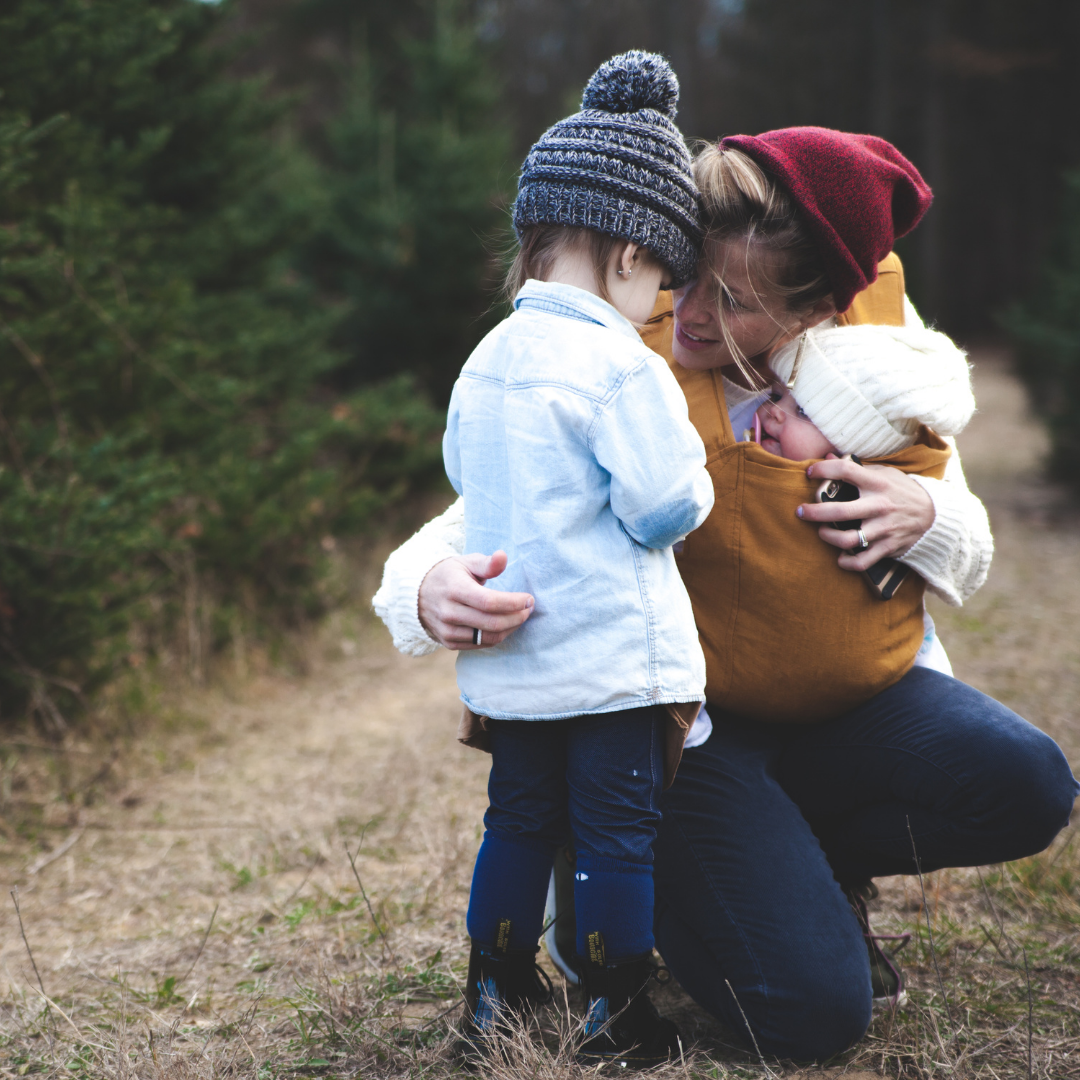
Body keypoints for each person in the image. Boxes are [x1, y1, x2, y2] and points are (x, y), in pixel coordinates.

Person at [374, 126, 1079, 1061]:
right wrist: (422, 585)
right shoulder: (625, 351)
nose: (691, 312)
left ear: (816, 309)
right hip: (687, 731)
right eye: (688, 277)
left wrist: (929, 514)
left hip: (846, 708)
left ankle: (802, 861)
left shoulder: (871, 369)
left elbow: (968, 537)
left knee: (1029, 785)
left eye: (734, 301)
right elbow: (497, 501)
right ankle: (662, 869)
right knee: (812, 1016)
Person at [444, 51, 713, 1067]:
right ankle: (615, 1010)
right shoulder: (618, 364)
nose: (658, 303)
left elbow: (465, 474)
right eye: (661, 279)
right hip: (608, 662)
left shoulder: (486, 359)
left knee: (515, 819)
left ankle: (493, 992)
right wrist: (696, 477)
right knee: (613, 836)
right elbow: (660, 507)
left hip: (515, 664)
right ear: (628, 253)